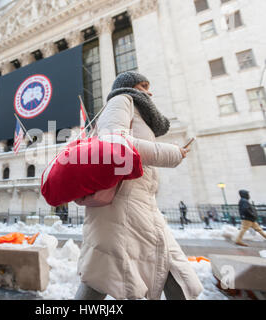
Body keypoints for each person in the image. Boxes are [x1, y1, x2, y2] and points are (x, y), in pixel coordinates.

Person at [75, 72, 203, 300]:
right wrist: (171, 153)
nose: (149, 91)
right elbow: (112, 143)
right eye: (143, 85)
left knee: (175, 270)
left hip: (143, 203)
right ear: (128, 86)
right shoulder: (121, 101)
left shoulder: (138, 111)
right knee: (101, 275)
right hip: (119, 205)